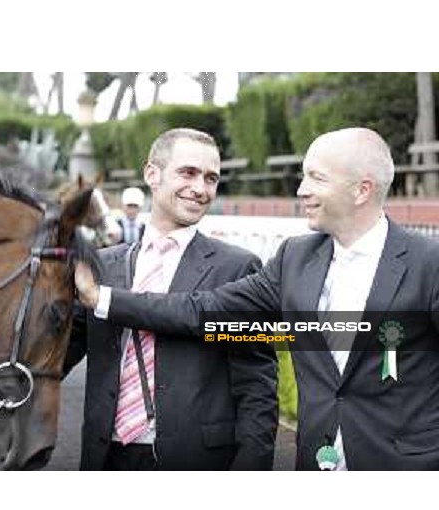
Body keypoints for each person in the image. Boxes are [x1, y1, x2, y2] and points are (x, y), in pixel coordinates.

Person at [75, 127, 439, 471]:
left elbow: (256, 383)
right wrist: (103, 298)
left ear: (362, 190)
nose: (301, 190)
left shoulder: (429, 264)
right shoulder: (294, 258)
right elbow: (205, 310)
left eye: (317, 178)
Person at [65, 127, 278, 471]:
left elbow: (257, 386)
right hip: (106, 455)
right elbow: (55, 355)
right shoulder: (101, 265)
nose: (200, 188)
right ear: (152, 174)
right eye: (188, 172)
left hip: (198, 461)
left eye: (211, 178)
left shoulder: (239, 268)